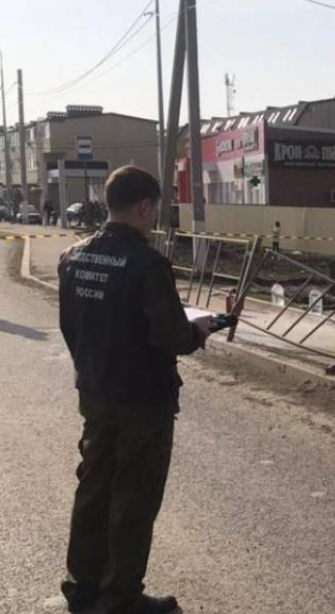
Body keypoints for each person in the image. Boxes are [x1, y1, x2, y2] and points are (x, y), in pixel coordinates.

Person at [58, 165, 212, 614]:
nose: (154, 218)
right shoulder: (147, 264)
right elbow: (170, 336)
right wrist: (198, 332)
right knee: (134, 499)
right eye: (154, 210)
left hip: (95, 396)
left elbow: (72, 326)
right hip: (143, 404)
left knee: (92, 490)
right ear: (144, 207)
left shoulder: (73, 257)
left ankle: (82, 585)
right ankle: (122, 596)